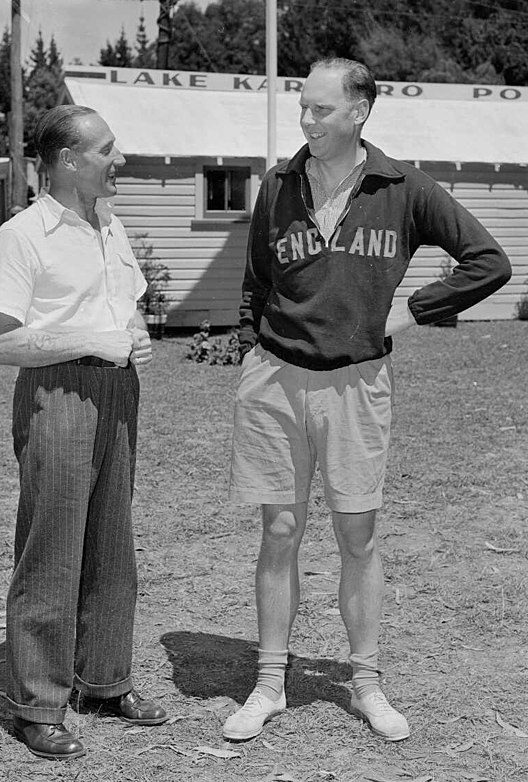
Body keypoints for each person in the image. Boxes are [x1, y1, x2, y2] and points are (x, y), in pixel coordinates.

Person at [224, 58, 511, 743]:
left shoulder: (402, 187)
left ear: (359, 113)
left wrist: (413, 310)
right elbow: (257, 280)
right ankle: (269, 684)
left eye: (320, 110)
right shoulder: (279, 184)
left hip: (357, 385)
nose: (306, 121)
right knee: (280, 533)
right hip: (275, 382)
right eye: (302, 107)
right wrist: (249, 348)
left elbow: (488, 261)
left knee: (358, 536)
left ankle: (365, 682)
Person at [0, 105, 167, 760]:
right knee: (53, 545)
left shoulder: (109, 225)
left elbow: (126, 305)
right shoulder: (24, 235)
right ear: (68, 160)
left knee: (112, 541)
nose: (118, 160)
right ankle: (36, 703)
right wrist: (91, 337)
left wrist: (135, 335)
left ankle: (105, 681)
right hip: (57, 391)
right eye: (107, 151)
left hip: (118, 392)